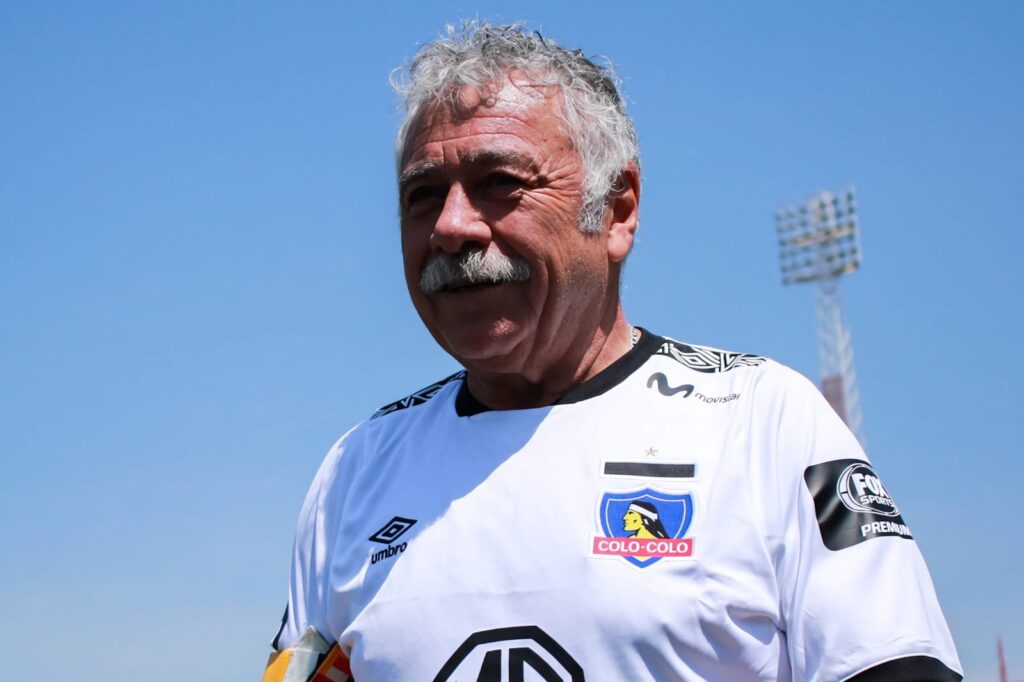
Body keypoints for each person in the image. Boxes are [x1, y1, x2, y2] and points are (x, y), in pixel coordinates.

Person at [262, 22, 962, 682]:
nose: (450, 226)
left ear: (618, 209)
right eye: (421, 196)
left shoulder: (761, 424)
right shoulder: (356, 473)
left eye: (499, 183)